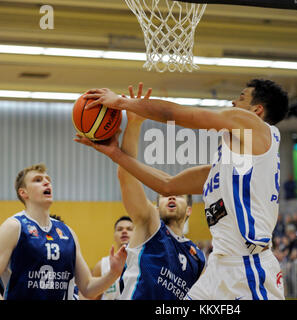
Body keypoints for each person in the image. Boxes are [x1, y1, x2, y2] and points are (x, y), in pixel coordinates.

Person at [77, 78, 289, 300]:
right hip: (219, 268)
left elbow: (176, 114)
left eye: (241, 97)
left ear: (257, 110)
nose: (233, 102)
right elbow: (167, 185)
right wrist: (115, 154)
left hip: (249, 268)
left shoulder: (254, 126)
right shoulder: (228, 167)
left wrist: (121, 102)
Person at [76, 84, 205, 300]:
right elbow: (126, 175)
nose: (171, 196)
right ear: (156, 205)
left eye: (180, 196)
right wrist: (134, 125)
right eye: (165, 196)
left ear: (190, 210)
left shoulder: (198, 257)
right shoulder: (150, 223)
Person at [0, 163, 127, 300]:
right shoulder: (14, 227)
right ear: (23, 192)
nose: (46, 182)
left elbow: (88, 288)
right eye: (38, 180)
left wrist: (113, 273)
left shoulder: (68, 233)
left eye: (48, 180)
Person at [91, 216, 134, 300]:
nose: (124, 231)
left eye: (129, 229)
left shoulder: (144, 263)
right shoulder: (101, 265)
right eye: (120, 229)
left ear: (137, 234)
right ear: (114, 235)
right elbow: (93, 297)